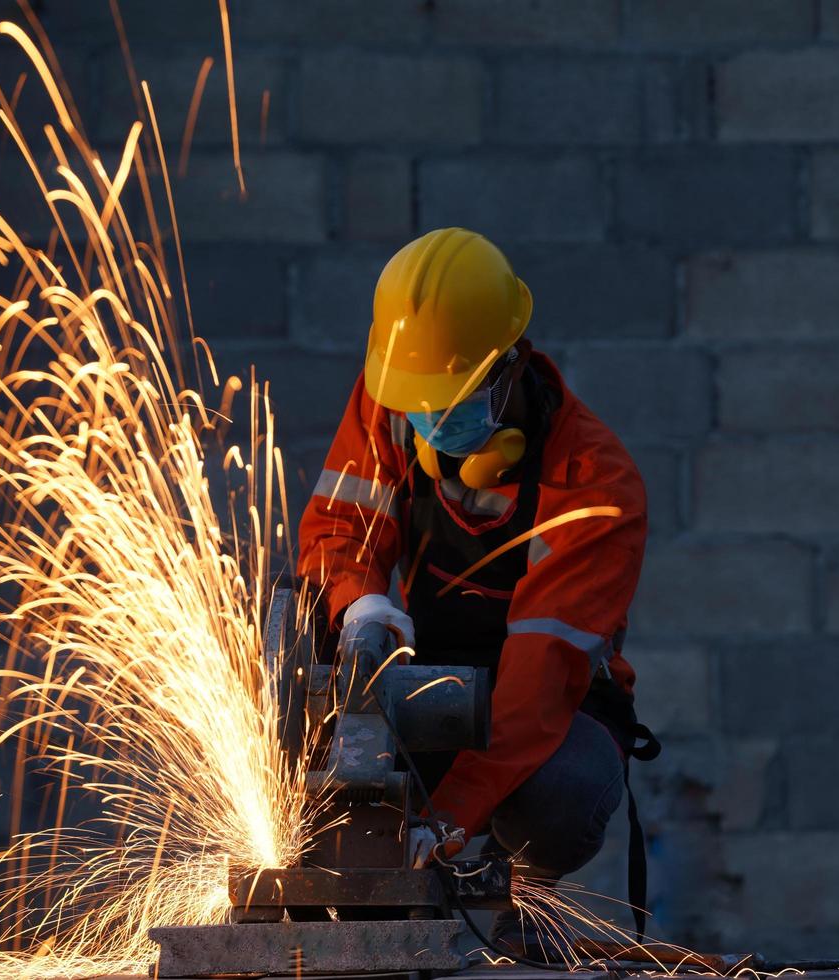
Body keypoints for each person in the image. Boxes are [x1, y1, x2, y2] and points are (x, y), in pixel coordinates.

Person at [296, 227, 656, 953]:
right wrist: (360, 601)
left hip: (546, 711)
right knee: (317, 736)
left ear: (510, 366)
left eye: (449, 399)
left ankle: (526, 903)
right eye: (416, 401)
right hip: (422, 680)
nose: (427, 419)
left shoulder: (596, 485)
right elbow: (339, 527)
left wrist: (447, 821)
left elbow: (537, 684)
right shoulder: (395, 396)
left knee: (566, 793)